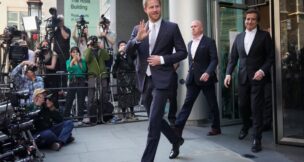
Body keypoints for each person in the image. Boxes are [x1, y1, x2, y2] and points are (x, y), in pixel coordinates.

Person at [126, 0, 187, 161]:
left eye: (157, 6)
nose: (155, 9)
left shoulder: (171, 27)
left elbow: (183, 53)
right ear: (145, 9)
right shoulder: (137, 29)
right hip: (145, 81)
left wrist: (162, 59)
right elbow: (128, 52)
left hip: (163, 80)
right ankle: (176, 140)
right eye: (151, 7)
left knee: (153, 123)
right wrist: (137, 40)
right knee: (157, 119)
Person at [224, 8, 274, 153]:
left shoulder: (264, 36)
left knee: (256, 108)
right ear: (244, 20)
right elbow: (233, 58)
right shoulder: (239, 37)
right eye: (247, 19)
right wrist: (228, 74)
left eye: (252, 19)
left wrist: (262, 70)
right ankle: (246, 125)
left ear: (257, 21)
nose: (249, 21)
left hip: (258, 78)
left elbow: (270, 57)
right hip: (242, 78)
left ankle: (256, 139)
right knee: (242, 105)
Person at [174, 20, 221, 137]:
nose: (192, 28)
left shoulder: (209, 42)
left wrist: (208, 72)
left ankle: (216, 127)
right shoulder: (189, 43)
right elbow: (192, 61)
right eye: (191, 27)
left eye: (195, 26)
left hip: (206, 79)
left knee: (212, 104)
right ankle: (178, 128)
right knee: (187, 103)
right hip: (193, 79)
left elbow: (214, 59)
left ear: (201, 28)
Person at [84, 36, 110, 124]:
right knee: (91, 96)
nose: (94, 43)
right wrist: (89, 47)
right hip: (92, 76)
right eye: (93, 42)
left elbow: (107, 58)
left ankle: (103, 115)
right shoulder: (87, 51)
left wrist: (102, 48)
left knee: (104, 95)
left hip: (102, 76)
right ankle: (90, 116)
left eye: (95, 42)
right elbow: (86, 58)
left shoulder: (101, 50)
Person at [112, 41, 139, 121]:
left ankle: (132, 113)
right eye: (121, 45)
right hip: (122, 78)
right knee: (122, 96)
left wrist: (128, 51)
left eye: (124, 45)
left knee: (131, 95)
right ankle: (123, 115)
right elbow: (115, 66)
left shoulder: (130, 54)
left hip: (130, 77)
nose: (123, 46)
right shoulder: (117, 56)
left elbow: (132, 61)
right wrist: (119, 54)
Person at [64, 47, 87, 120]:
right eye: (73, 52)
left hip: (81, 80)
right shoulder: (68, 61)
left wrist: (79, 61)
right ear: (71, 53)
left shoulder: (82, 60)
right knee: (69, 99)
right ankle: (66, 118)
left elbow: (84, 69)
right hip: (72, 80)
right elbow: (69, 69)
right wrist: (72, 61)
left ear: (79, 53)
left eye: (76, 52)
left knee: (81, 100)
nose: (75, 54)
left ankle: (80, 118)